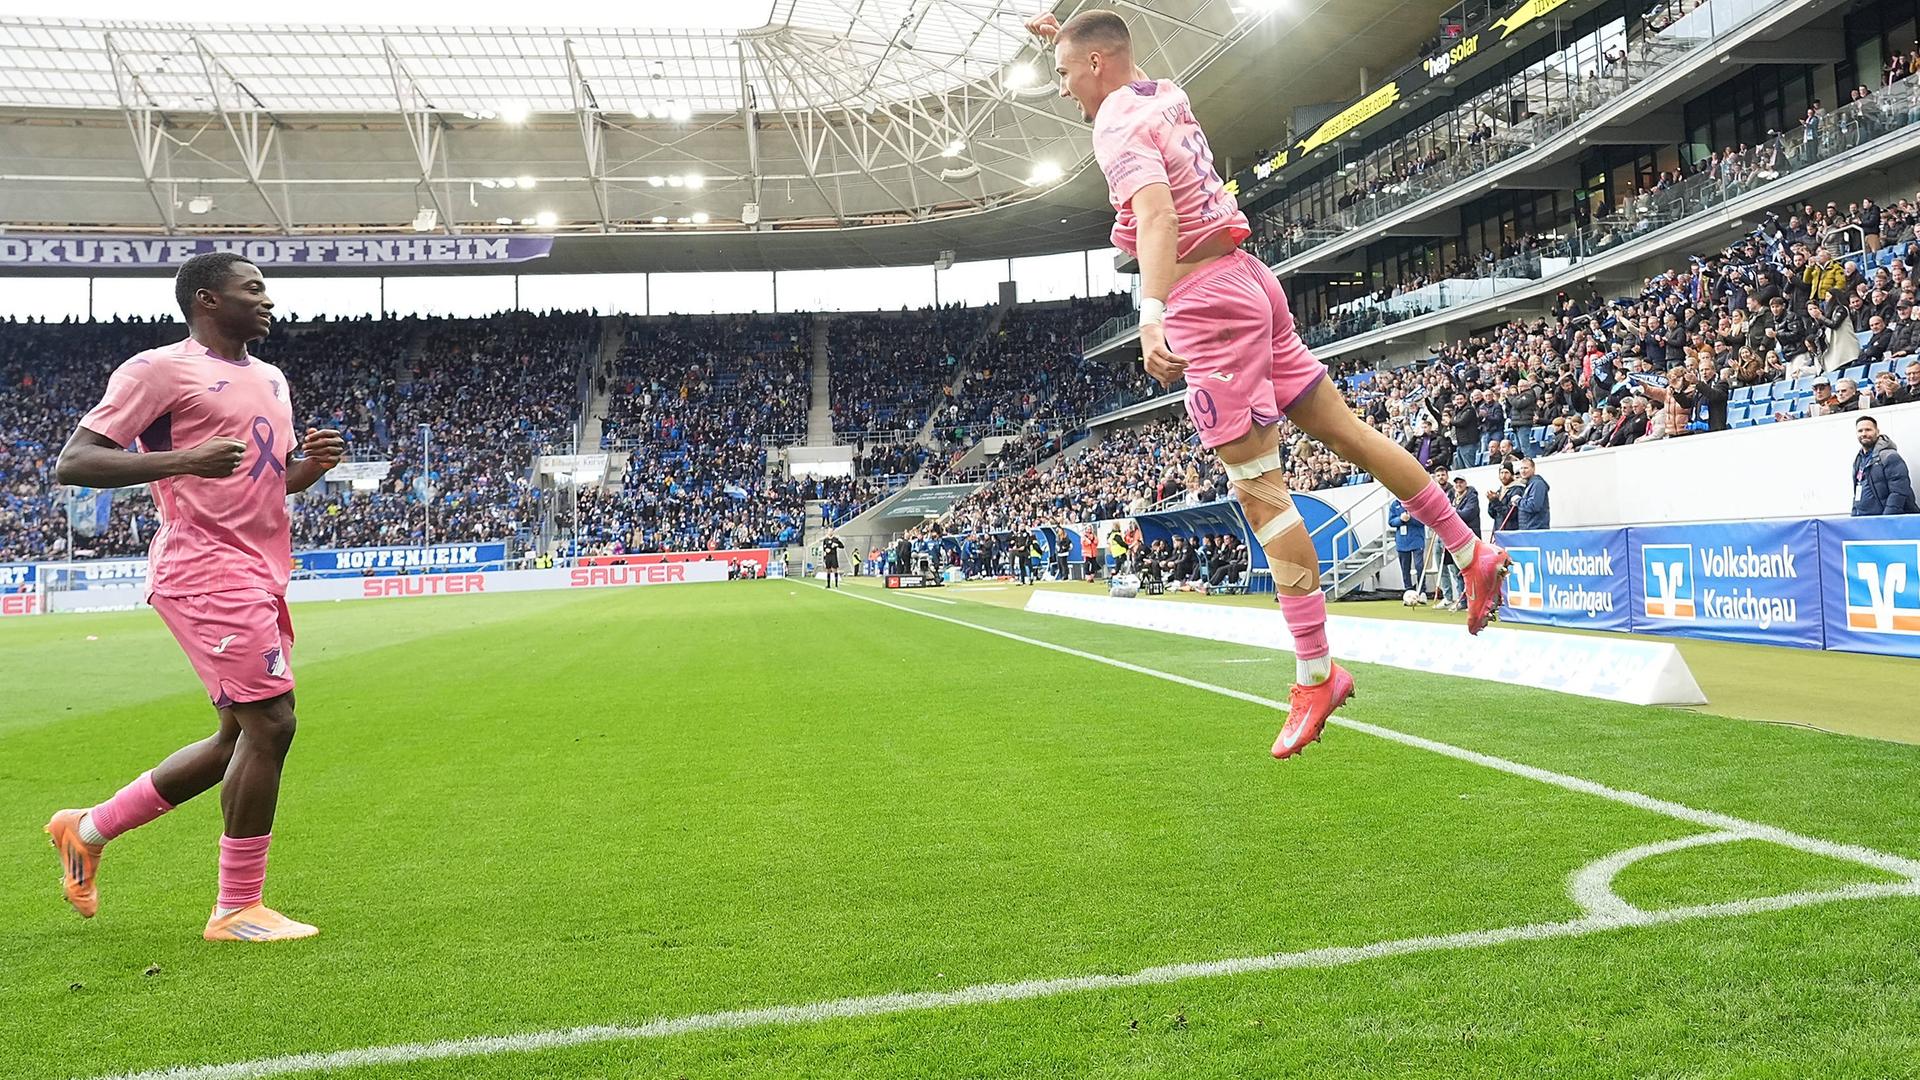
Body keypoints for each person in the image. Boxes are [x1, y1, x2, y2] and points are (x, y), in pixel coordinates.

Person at [1032, 7, 1507, 760]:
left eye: (1064, 75)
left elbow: (1154, 215)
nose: (1062, 91)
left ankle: (1316, 674)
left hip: (1206, 308)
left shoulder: (1114, 126)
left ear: (1095, 66)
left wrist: (1151, 313)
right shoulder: (1163, 94)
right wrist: (1061, 36)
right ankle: (1467, 550)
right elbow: (1120, 64)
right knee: (1349, 434)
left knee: (1259, 489)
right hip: (1252, 281)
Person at [44, 253, 343, 942]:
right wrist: (183, 459)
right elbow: (75, 460)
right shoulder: (159, 369)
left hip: (262, 569)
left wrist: (309, 468)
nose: (268, 299)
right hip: (204, 568)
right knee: (272, 724)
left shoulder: (270, 377)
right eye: (254, 288)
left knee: (238, 735)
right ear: (208, 299)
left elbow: (264, 481)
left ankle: (84, 831)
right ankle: (236, 908)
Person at [1853, 415, 1914, 515]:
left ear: (1877, 432)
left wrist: (1886, 519)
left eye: (1868, 430)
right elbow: (1857, 493)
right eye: (1860, 431)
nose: (1864, 434)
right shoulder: (1859, 459)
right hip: (1864, 521)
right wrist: (1854, 515)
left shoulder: (1889, 456)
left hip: (1885, 522)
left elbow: (1898, 492)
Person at [1516, 457, 1552, 529]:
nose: (1523, 471)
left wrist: (1518, 501)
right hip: (1528, 529)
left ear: (1533, 469)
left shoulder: (1538, 484)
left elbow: (1534, 506)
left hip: (1535, 531)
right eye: (1521, 468)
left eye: (1526, 468)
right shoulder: (1529, 484)